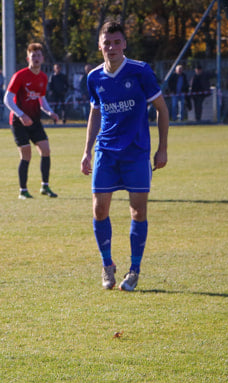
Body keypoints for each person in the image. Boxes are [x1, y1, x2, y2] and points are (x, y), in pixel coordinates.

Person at [80, 20, 169, 292]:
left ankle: (134, 270)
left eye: (117, 42)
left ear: (125, 44)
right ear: (100, 46)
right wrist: (86, 150)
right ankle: (107, 266)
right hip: (106, 151)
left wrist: (162, 148)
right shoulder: (94, 77)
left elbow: (162, 110)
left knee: (138, 211)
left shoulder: (140, 71)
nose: (112, 47)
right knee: (99, 209)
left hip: (137, 152)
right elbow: (96, 112)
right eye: (107, 43)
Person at [4, 43, 60, 199]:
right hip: (18, 121)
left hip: (34, 120)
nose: (36, 58)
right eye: (33, 56)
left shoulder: (43, 77)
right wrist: (21, 115)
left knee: (46, 150)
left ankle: (45, 187)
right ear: (28, 58)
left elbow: (41, 99)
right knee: (26, 154)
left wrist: (50, 112)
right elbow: (7, 99)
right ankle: (23, 191)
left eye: (38, 55)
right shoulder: (20, 76)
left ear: (42, 58)